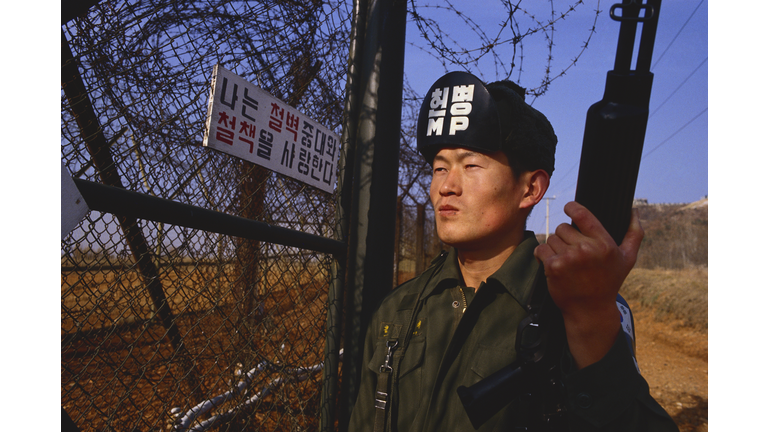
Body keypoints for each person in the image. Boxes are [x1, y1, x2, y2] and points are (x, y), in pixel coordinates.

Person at [347, 71, 678, 431]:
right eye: (439, 168)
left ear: (531, 189)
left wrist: (592, 317)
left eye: (470, 165)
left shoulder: (574, 304)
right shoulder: (398, 310)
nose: (446, 186)